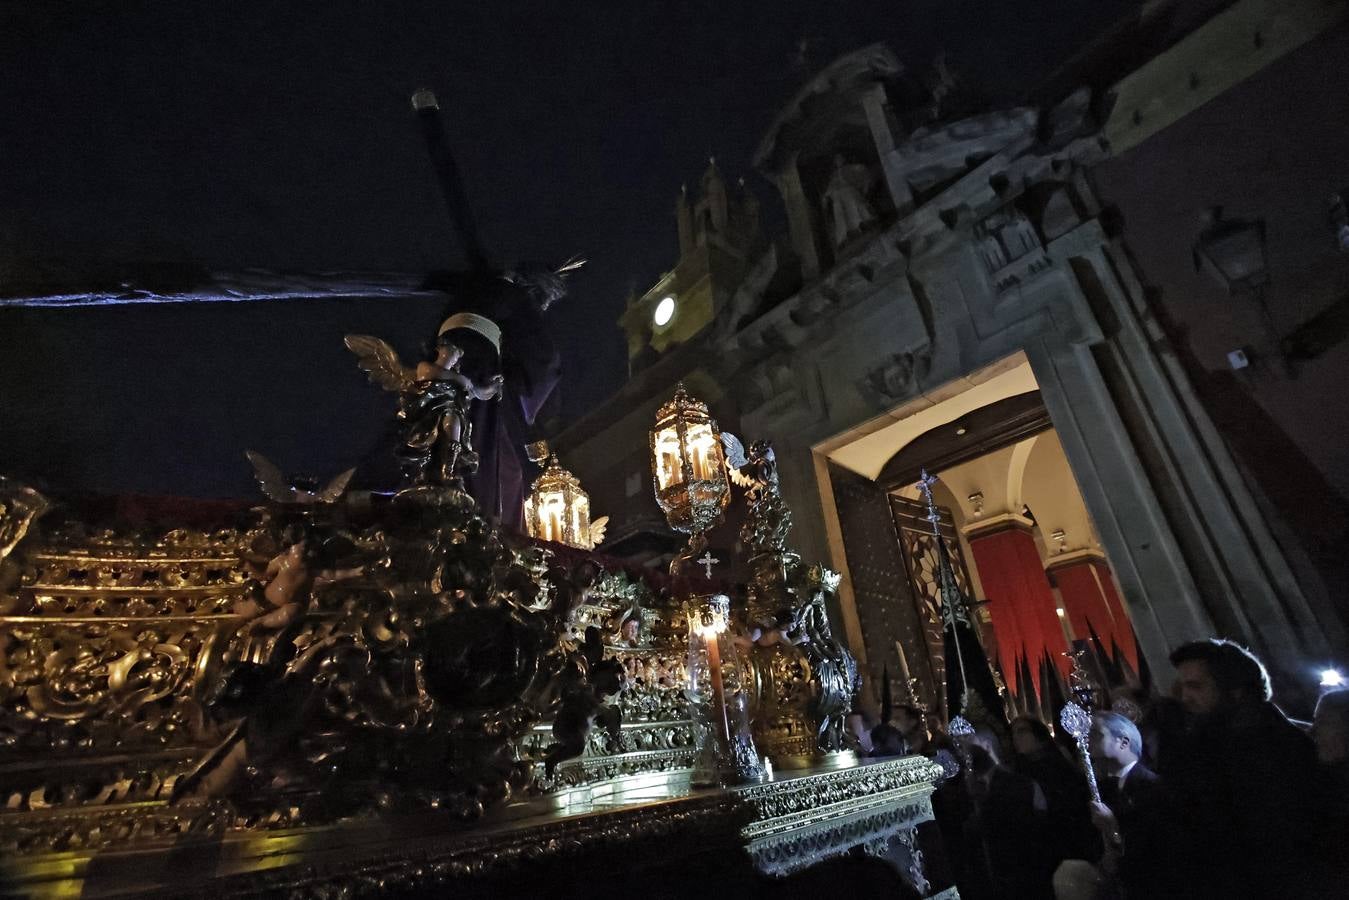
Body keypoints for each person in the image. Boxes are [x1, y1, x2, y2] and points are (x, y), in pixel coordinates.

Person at [1164, 639, 1320, 897]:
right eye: (1183, 688)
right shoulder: (1209, 742)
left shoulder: (1275, 747)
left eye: (1196, 687)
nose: (1185, 698)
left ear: (1235, 690)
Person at [957, 728, 1053, 900]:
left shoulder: (1020, 784)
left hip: (1022, 875)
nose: (963, 752)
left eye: (967, 746)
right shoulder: (963, 787)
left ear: (986, 746)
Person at [1009, 716, 1098, 866]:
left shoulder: (1058, 764)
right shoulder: (1019, 772)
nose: (1016, 738)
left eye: (1022, 731)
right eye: (1014, 733)